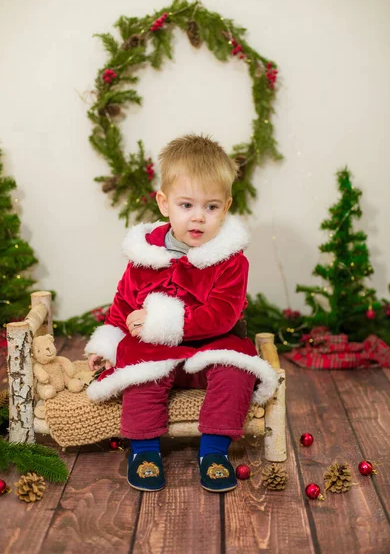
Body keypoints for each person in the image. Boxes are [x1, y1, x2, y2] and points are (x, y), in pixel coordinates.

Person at [85, 134, 278, 493]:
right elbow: (124, 302)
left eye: (211, 207)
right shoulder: (146, 257)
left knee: (238, 365)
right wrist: (108, 342)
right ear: (164, 203)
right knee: (139, 367)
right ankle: (143, 450)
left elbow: (222, 314)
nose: (198, 218)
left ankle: (215, 450)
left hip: (210, 346)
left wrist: (161, 323)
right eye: (186, 205)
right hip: (158, 351)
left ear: (227, 207)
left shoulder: (230, 261)